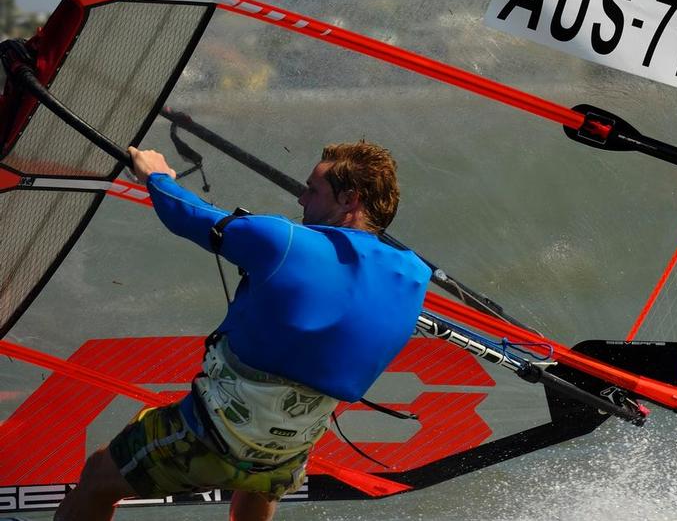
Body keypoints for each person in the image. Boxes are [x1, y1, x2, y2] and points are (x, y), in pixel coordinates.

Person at [55, 141, 431, 521]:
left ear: (350, 199)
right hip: (288, 449)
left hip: (212, 435)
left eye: (312, 190)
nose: (301, 200)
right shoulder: (414, 276)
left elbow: (188, 215)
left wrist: (157, 176)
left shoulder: (285, 243)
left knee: (99, 476)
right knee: (259, 482)